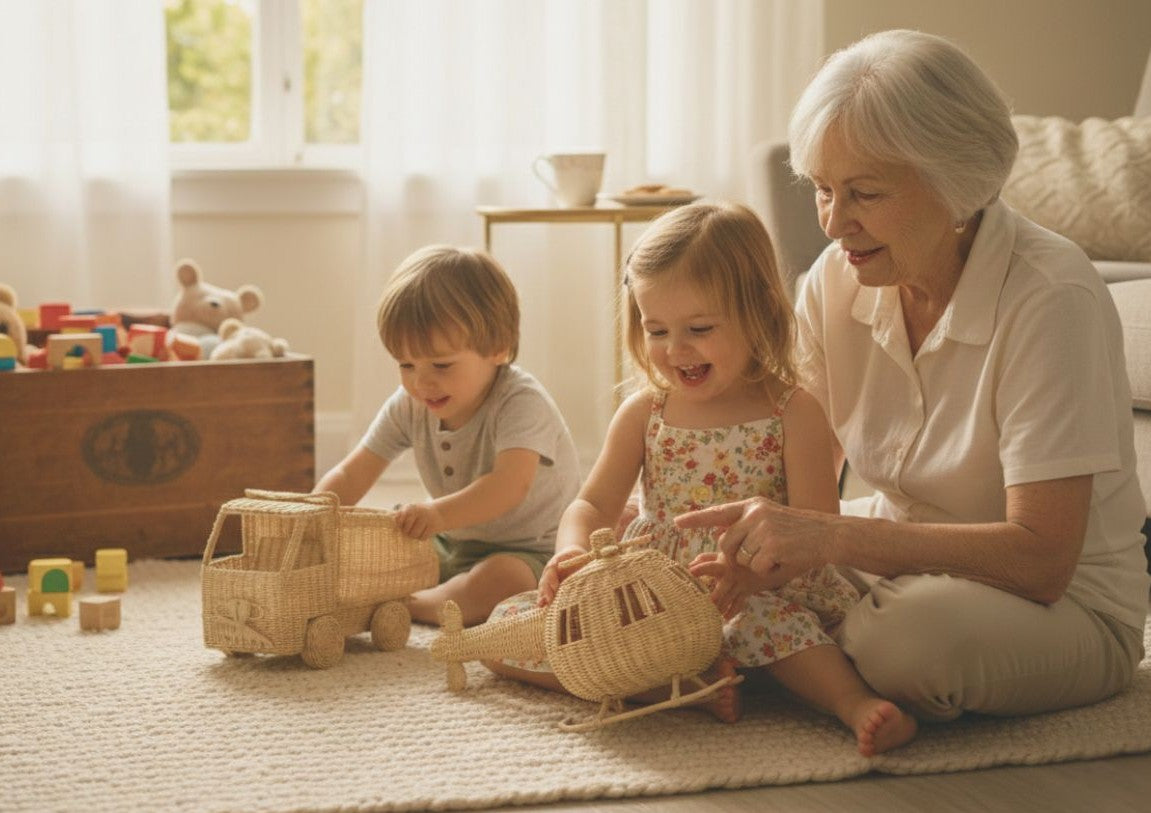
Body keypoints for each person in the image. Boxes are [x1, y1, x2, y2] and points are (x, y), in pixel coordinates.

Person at [683, 29, 1149, 725]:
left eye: (863, 193)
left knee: (903, 641)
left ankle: (795, 660)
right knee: (694, 562)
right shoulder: (834, 282)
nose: (835, 224)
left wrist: (830, 540)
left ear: (955, 182)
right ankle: (804, 661)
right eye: (821, 191)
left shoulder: (1050, 294)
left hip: (1061, 605)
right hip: (901, 565)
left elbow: (1043, 559)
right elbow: (795, 477)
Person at [486, 202, 917, 756]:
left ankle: (850, 703)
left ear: (758, 313)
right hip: (652, 596)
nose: (674, 349)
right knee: (508, 631)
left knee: (773, 627)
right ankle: (673, 689)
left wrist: (754, 577)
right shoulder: (646, 413)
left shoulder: (793, 411)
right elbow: (591, 505)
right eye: (656, 329)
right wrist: (571, 555)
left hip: (753, 590)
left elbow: (818, 529)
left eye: (699, 328)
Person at [315, 245, 581, 627]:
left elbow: (510, 485)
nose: (421, 381)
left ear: (498, 349)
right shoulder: (410, 404)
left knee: (502, 582)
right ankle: (402, 591)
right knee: (380, 543)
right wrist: (312, 517)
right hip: (448, 542)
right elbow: (354, 471)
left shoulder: (522, 401)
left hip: (530, 551)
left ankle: (413, 606)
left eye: (441, 364)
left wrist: (437, 514)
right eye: (406, 364)